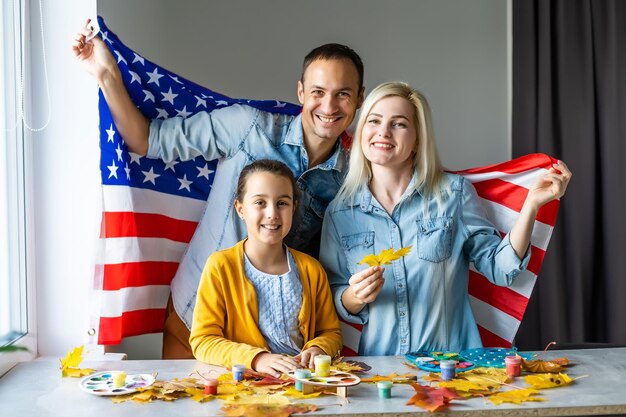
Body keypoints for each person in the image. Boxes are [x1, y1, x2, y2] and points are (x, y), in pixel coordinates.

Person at [72, 19, 364, 358]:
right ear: (300, 92)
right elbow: (147, 139)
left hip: (276, 339)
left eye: (343, 94)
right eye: (318, 92)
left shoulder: (353, 175)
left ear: (359, 98)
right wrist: (106, 74)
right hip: (198, 317)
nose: (328, 107)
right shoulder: (247, 126)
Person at [319, 82, 571, 355]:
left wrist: (531, 206)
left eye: (399, 124)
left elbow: (500, 269)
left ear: (417, 139)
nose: (383, 132)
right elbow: (332, 298)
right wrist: (354, 297)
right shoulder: (339, 212)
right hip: (381, 371)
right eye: (374, 121)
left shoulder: (454, 193)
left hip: (453, 367)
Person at [189, 159, 342, 376]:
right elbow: (203, 341)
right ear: (240, 209)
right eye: (260, 202)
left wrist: (319, 348)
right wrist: (256, 359)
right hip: (245, 385)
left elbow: (331, 332)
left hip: (302, 382)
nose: (272, 213)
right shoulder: (220, 266)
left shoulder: (311, 269)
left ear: (294, 207)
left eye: (282, 203)